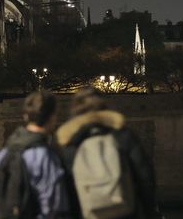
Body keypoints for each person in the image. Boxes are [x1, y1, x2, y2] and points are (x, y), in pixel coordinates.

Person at [56, 87, 158, 219]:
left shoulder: (69, 144)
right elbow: (145, 177)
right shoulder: (123, 135)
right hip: (125, 211)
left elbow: (65, 189)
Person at [0, 91, 71, 219]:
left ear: (26, 116)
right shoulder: (44, 155)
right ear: (52, 117)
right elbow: (53, 205)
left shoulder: (4, 153)